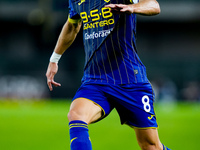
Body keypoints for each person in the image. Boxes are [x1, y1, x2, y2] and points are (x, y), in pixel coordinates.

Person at [46, 0, 171, 149]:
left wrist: (132, 8)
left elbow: (154, 6)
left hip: (130, 80)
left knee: (151, 146)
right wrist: (54, 59)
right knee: (76, 115)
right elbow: (72, 25)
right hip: (95, 79)